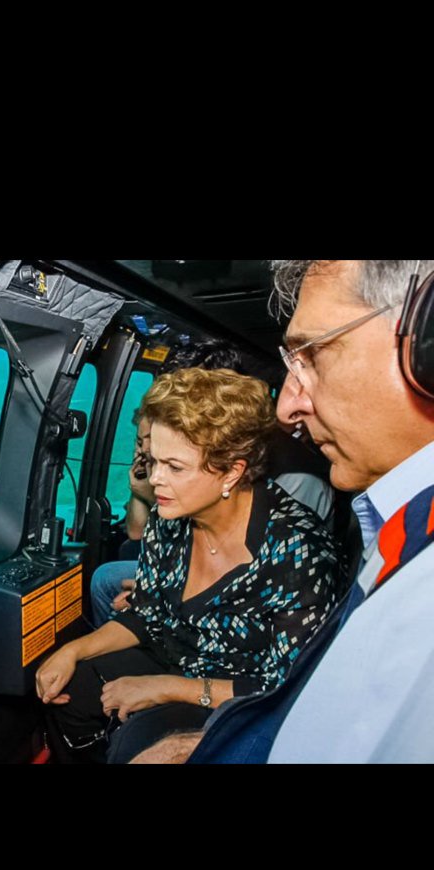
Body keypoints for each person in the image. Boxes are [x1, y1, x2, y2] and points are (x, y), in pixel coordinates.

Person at [128, 259, 434, 765]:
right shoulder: (397, 532)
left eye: (311, 356)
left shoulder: (310, 550)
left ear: (426, 348)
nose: (287, 408)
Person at [36, 368, 343, 758]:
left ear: (232, 471)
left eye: (175, 467)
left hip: (237, 694)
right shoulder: (169, 518)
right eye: (154, 461)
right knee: (70, 690)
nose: (155, 480)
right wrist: (73, 650)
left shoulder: (298, 552)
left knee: (137, 745)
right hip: (172, 655)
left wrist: (165, 688)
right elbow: (145, 615)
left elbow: (286, 688)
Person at [89, 413, 153, 627]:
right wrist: (137, 486)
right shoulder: (150, 467)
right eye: (139, 441)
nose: (143, 449)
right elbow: (136, 532)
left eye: (149, 439)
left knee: (104, 579)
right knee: (128, 548)